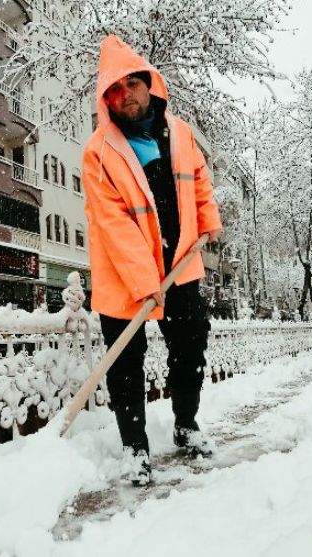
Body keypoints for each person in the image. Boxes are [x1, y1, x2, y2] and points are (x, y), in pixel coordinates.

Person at [82, 35, 223, 486]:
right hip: (124, 278)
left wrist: (209, 219)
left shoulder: (178, 133)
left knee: (190, 349)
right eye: (115, 90)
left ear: (149, 84)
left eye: (132, 85)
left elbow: (198, 180)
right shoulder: (98, 152)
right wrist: (146, 281)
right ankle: (135, 451)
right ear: (107, 100)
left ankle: (186, 424)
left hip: (180, 266)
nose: (126, 96)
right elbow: (114, 226)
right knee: (126, 365)